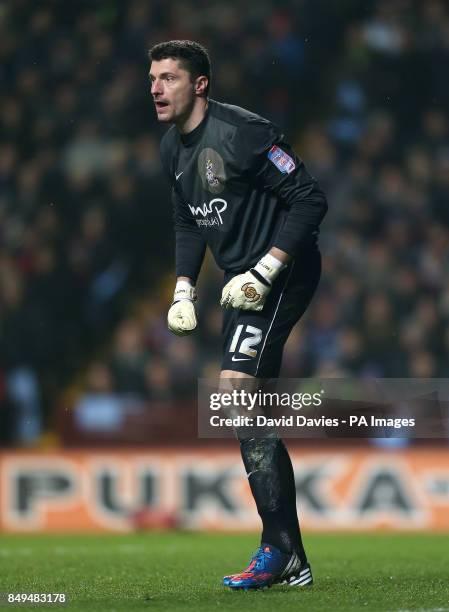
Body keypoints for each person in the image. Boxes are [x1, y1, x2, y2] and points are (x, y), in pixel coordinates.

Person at [149, 39, 327, 590]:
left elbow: (309, 199)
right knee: (244, 407)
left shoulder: (245, 131)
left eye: (169, 77)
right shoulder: (169, 150)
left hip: (281, 273)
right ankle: (288, 552)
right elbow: (187, 221)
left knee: (236, 392)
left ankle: (277, 549)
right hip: (236, 285)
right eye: (152, 77)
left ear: (200, 84)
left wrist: (265, 271)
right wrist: (183, 288)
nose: (156, 87)